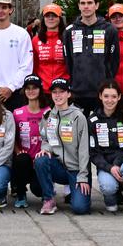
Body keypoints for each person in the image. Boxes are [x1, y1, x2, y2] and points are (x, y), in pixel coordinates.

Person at [35, 77, 91, 215]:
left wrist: (83, 176)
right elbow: (45, 138)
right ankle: (49, 199)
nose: (58, 95)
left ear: (69, 94)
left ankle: (76, 193)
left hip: (77, 170)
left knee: (80, 208)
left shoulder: (79, 116)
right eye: (54, 92)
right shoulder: (48, 115)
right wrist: (46, 149)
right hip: (59, 167)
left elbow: (84, 149)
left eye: (61, 91)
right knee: (40, 160)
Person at [87, 79, 123, 214]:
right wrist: (109, 168)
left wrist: (117, 163)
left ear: (119, 97)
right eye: (106, 96)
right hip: (106, 165)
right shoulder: (93, 120)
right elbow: (93, 153)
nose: (109, 100)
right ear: (100, 96)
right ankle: (111, 199)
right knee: (108, 188)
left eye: (113, 96)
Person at [62, 0, 119, 114]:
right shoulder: (69, 31)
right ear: (78, 6)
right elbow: (68, 62)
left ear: (96, 5)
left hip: (101, 93)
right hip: (77, 93)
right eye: (83, 3)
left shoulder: (110, 30)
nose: (86, 6)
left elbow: (113, 62)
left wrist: (106, 83)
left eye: (89, 3)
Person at [11, 74, 47, 208]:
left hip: (41, 159)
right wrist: (18, 151)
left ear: (40, 90)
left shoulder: (48, 112)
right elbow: (12, 138)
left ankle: (46, 192)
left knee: (38, 189)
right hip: (24, 160)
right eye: (28, 88)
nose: (31, 91)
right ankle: (20, 194)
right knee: (21, 159)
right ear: (24, 91)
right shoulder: (17, 113)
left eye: (34, 88)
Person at [30, 4, 69, 91]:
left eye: (54, 16)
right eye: (47, 16)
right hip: (43, 90)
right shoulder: (36, 40)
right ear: (43, 19)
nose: (50, 18)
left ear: (60, 18)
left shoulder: (67, 38)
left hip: (63, 89)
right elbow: (33, 66)